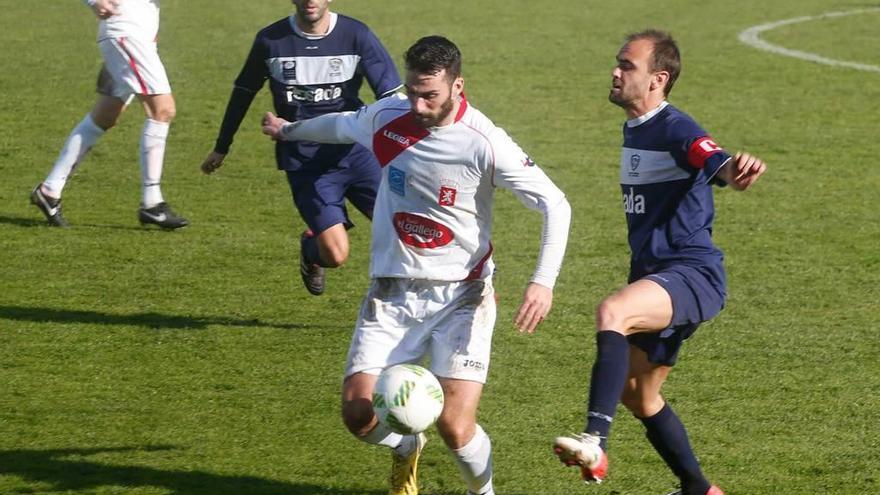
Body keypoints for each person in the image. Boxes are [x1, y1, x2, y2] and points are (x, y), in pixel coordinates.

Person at [263, 35, 571, 495]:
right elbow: (343, 125)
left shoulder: (485, 143)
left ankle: (481, 492)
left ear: (457, 86)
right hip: (392, 292)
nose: (419, 106)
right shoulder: (389, 119)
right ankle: (406, 448)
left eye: (430, 95)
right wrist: (288, 130)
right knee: (357, 413)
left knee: (454, 426)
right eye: (412, 92)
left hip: (463, 296)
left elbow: (556, 204)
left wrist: (542, 282)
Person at [552, 30, 766, 495]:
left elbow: (710, 155)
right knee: (639, 394)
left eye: (627, 66)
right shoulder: (638, 127)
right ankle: (699, 489)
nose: (615, 71)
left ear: (658, 79)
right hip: (657, 275)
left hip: (691, 274)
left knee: (613, 312)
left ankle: (594, 440)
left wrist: (735, 169)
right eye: (617, 62)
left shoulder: (673, 127)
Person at [200, 0, 401, 296]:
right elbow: (244, 92)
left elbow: (391, 98)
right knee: (336, 255)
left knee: (403, 227)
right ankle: (311, 248)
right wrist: (222, 146)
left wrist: (406, 147)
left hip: (357, 156)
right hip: (306, 165)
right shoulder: (270, 41)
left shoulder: (356, 35)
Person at [31, 0, 188, 229]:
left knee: (105, 116)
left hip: (138, 35)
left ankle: (50, 190)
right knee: (162, 110)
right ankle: (152, 204)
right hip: (126, 32)